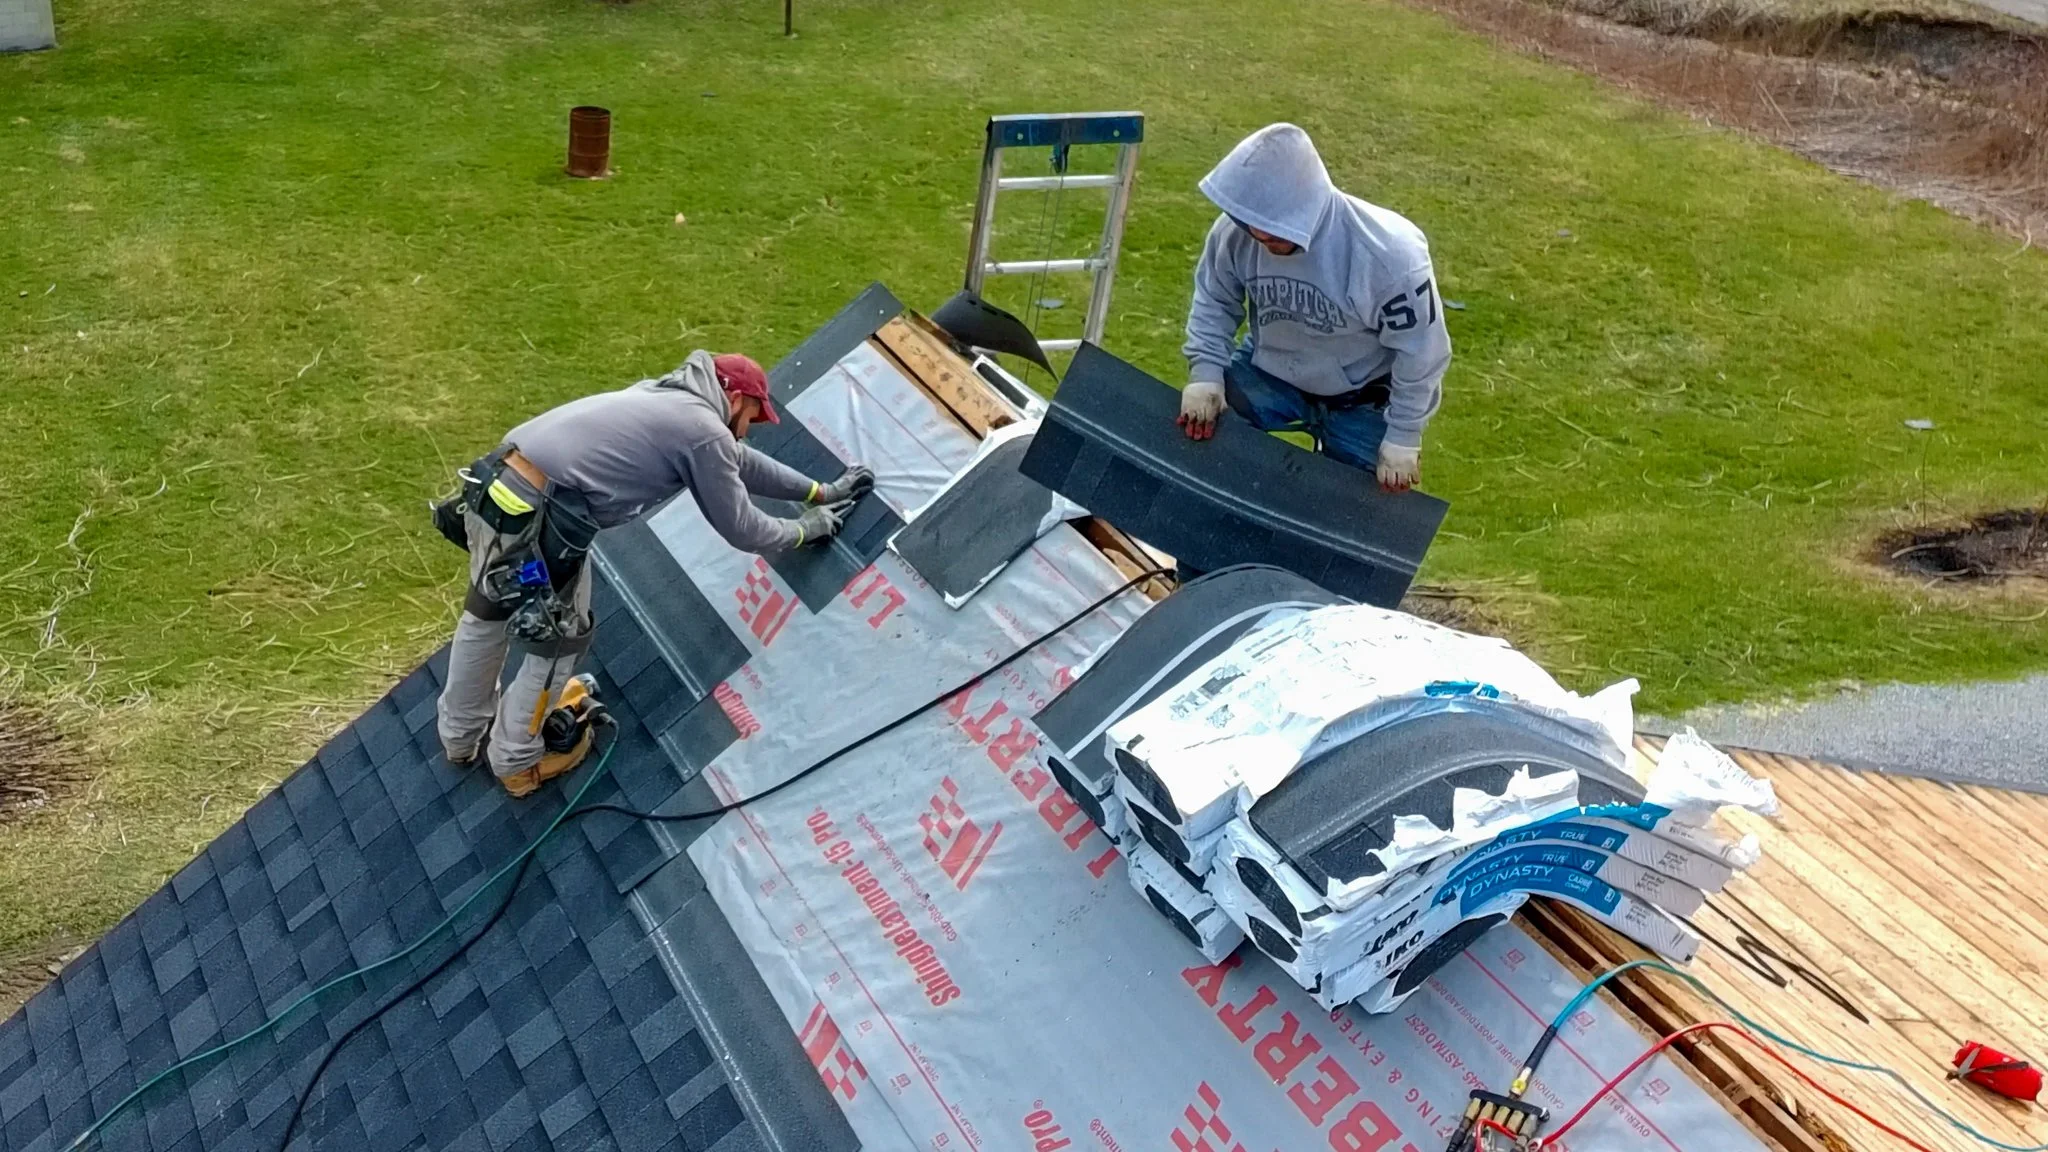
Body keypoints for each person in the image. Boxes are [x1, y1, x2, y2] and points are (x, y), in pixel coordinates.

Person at [435, 349, 872, 797]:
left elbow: (740, 463)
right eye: (753, 417)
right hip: (542, 521)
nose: (747, 429)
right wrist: (804, 530)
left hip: (496, 491)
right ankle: (515, 761)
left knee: (485, 614)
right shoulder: (703, 431)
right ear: (736, 397)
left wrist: (820, 492)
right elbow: (742, 528)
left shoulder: (663, 397)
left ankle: (458, 737)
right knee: (557, 637)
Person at [1176, 123, 1451, 494]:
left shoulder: (1390, 258)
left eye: (1273, 230)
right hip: (1272, 373)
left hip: (1363, 395)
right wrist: (1205, 373)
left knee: (1366, 519)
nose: (1259, 237)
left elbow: (1422, 352)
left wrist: (1403, 433)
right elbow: (1214, 298)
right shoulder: (1235, 232)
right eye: (1252, 224)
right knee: (1198, 449)